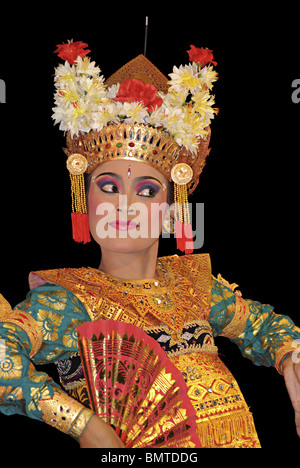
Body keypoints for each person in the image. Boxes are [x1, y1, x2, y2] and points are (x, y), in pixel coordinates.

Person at [0, 41, 300, 448]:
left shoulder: (193, 285)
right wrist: (82, 424)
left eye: (145, 190)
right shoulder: (69, 301)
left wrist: (290, 355)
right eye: (108, 186)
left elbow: (263, 324)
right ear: (83, 198)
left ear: (172, 205)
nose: (124, 205)